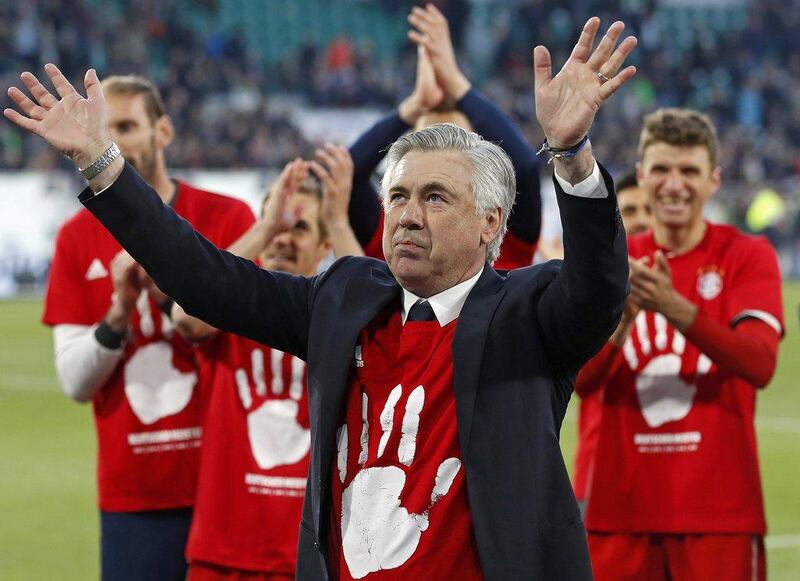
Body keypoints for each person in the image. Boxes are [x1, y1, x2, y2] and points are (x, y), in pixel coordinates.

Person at [6, 16, 637, 579]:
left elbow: (600, 290)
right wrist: (101, 164)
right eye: (397, 197)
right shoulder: (345, 298)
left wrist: (574, 157)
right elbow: (206, 279)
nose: (407, 217)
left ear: (491, 223)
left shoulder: (528, 313)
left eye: (435, 198)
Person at [35, 75, 255, 580]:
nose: (114, 141)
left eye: (128, 126)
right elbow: (74, 381)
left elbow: (257, 335)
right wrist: (118, 314)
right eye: (104, 128)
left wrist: (168, 288)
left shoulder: (227, 218)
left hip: (229, 484)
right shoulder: (74, 238)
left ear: (165, 131)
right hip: (136, 493)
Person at [583, 109, 783, 581]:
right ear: (643, 175)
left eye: (689, 171)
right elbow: (582, 382)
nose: (675, 185)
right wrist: (623, 322)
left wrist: (674, 307)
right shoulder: (614, 261)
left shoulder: (746, 255)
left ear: (713, 180)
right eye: (662, 170)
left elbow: (759, 364)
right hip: (619, 513)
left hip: (719, 514)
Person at [176, 150, 363, 580]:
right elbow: (186, 315)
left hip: (306, 558)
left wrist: (337, 220)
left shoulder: (339, 319)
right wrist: (265, 226)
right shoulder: (234, 309)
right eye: (278, 226)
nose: (284, 237)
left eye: (299, 228)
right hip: (222, 552)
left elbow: (381, 324)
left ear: (323, 247)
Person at [348, 3, 541, 268]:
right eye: (428, 137)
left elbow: (526, 169)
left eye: (453, 137)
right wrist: (414, 105)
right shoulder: (392, 225)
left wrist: (456, 83)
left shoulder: (501, 230)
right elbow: (347, 174)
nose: (438, 148)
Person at [571, 170, 651, 511]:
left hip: (676, 473)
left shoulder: (689, 285)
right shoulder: (591, 288)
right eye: (630, 211)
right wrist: (625, 321)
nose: (643, 221)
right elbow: (583, 381)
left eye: (650, 209)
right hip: (602, 473)